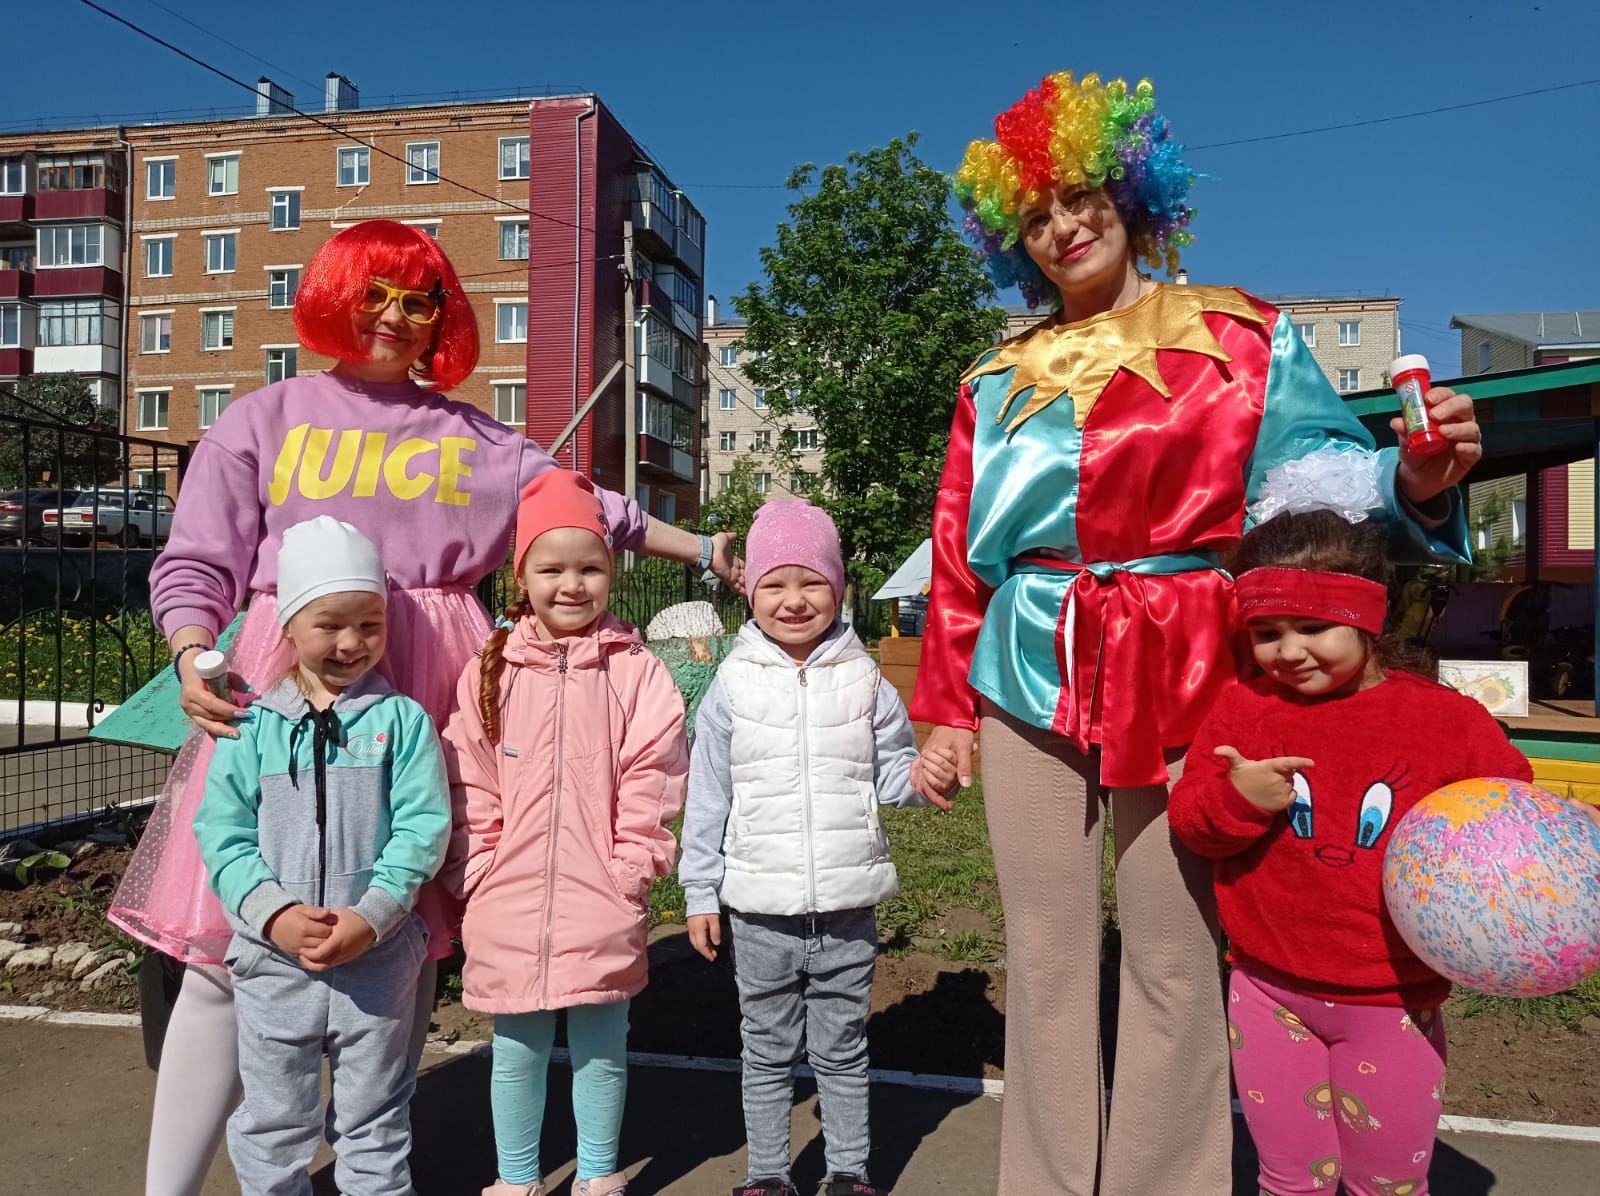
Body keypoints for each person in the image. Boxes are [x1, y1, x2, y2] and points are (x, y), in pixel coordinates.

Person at [907, 71, 1482, 1194]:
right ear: (1012, 238)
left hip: (1190, 663)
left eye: (1082, 198)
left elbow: (1319, 488)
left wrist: (1411, 477)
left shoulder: (1238, 332)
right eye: (1035, 215)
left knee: (1174, 956)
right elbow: (956, 559)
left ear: (1131, 196)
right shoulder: (990, 378)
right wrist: (942, 710)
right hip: (1028, 669)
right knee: (1048, 957)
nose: (1063, 226)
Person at [106, 219, 739, 1195]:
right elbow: (195, 559)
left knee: (398, 951)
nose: (398, 318)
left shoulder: (471, 437)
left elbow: (587, 508)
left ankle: (371, 1169)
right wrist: (195, 649)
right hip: (286, 695)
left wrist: (706, 551)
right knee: (228, 953)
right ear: (333, 299)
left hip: (425, 704)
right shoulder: (264, 419)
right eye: (377, 296)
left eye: (419, 300)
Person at [1166, 508, 1534, 1196]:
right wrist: (1240, 799)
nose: (1290, 652)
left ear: (1368, 619)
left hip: (1393, 1002)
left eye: (1313, 628)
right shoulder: (1245, 708)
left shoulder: (1443, 720)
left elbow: (1514, 820)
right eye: (1267, 633)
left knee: (1386, 1184)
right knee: (1289, 1180)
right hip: (1267, 992)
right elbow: (1192, 823)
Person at [679, 500, 950, 1196]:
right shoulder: (732, 684)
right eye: (775, 584)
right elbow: (708, 797)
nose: (794, 601)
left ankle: (848, 1172)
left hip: (847, 904)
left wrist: (927, 779)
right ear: (750, 591)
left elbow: (893, 775)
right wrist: (700, 891)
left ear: (838, 588)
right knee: (765, 1050)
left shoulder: (866, 682)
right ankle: (767, 1174)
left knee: (842, 1048)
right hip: (758, 908)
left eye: (811, 583)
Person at [443, 470, 688, 1196]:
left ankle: (598, 1176)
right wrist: (478, 866)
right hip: (507, 897)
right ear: (523, 576)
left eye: (591, 567)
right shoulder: (491, 669)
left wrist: (631, 867)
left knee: (602, 1048)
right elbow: (469, 772)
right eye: (551, 568)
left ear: (612, 573)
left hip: (601, 895)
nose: (572, 584)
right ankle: (516, 1180)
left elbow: (656, 771)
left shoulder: (637, 671)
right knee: (516, 1047)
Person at [194, 517, 450, 1195]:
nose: (350, 643)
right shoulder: (252, 727)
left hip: (378, 960)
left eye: (369, 624)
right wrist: (271, 914)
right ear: (289, 626)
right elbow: (222, 833)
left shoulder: (401, 723)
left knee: (375, 1114)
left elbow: (424, 827)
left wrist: (374, 915)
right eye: (329, 623)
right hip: (274, 966)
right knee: (276, 1118)